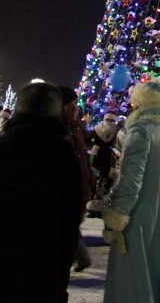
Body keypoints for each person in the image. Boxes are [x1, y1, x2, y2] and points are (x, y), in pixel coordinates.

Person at [0, 81, 82, 303]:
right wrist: (66, 255)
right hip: (43, 250)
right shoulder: (62, 151)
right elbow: (71, 209)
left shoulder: (4, 145)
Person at [102, 79, 160, 303]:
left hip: (138, 218)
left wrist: (116, 215)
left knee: (134, 281)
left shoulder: (140, 131)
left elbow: (131, 181)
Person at [58, 85, 93, 272]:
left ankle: (79, 255)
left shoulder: (75, 129)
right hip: (65, 197)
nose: (77, 108)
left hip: (77, 192)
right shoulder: (59, 132)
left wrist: (89, 180)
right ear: (64, 106)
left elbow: (82, 159)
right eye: (74, 104)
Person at [87, 111, 119, 217]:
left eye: (111, 120)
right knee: (97, 181)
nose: (109, 122)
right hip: (100, 159)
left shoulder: (116, 131)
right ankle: (95, 207)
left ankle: (100, 208)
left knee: (105, 182)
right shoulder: (99, 130)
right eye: (108, 120)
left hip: (106, 160)